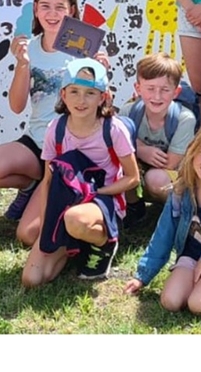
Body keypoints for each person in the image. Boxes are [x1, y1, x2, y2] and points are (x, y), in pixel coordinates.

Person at [0, 0, 93, 242]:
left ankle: (67, 191)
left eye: (60, 7)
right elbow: (16, 106)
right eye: (45, 6)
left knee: (29, 234)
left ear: (72, 10)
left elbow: (97, 109)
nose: (52, 13)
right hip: (36, 140)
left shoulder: (83, 49)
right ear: (35, 9)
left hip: (67, 149)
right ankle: (30, 185)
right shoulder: (29, 47)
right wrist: (23, 64)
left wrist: (98, 71)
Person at [21, 58, 139, 286]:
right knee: (32, 279)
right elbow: (47, 181)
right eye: (74, 91)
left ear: (102, 97)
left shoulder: (113, 129)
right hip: (66, 199)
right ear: (63, 95)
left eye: (90, 93)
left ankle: (104, 243)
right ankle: (74, 243)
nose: (81, 100)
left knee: (74, 219)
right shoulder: (55, 129)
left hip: (102, 198)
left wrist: (98, 192)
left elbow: (133, 178)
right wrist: (47, 224)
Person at [124, 119, 201, 317]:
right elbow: (163, 235)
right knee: (171, 301)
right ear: (193, 151)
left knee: (199, 305)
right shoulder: (181, 192)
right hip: (190, 258)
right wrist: (143, 276)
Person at [119, 53, 197, 227]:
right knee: (118, 166)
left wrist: (136, 150)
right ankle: (133, 208)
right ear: (138, 89)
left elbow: (169, 163)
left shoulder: (184, 118)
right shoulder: (128, 112)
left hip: (172, 175)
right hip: (139, 168)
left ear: (176, 92)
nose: (157, 96)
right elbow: (115, 148)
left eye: (165, 90)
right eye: (150, 88)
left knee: (155, 179)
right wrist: (140, 150)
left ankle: (176, 213)